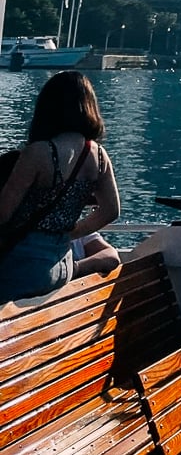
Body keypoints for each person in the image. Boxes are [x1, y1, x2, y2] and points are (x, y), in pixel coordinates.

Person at [0, 72, 120, 303]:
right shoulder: (99, 156)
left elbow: (3, 214)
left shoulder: (39, 153)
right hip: (62, 264)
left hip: (24, 265)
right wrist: (70, 232)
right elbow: (111, 211)